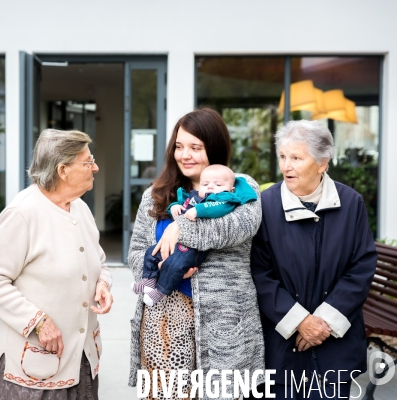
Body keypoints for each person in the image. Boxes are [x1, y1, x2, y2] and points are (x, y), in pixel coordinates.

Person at [128, 108, 265, 399]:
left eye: (195, 147)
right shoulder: (156, 194)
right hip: (164, 320)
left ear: (214, 148)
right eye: (179, 146)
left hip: (223, 322)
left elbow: (236, 227)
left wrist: (179, 228)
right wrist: (162, 266)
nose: (184, 155)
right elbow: (136, 252)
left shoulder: (239, 186)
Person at [0, 129, 114, 400]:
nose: (95, 167)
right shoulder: (23, 213)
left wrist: (103, 284)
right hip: (34, 373)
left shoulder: (80, 208)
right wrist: (38, 321)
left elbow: (99, 262)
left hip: (82, 363)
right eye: (88, 162)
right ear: (62, 170)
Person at [250, 120, 377, 399]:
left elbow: (362, 267)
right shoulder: (265, 206)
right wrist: (299, 321)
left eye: (296, 157)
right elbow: (258, 272)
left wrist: (323, 321)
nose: (286, 166)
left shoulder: (351, 203)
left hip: (336, 349)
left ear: (322, 164)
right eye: (283, 156)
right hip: (282, 348)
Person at [132, 164, 258, 306]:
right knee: (151, 252)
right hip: (176, 247)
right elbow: (183, 205)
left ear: (231, 189)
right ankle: (148, 281)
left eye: (217, 184)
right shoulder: (194, 197)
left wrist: (197, 211)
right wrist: (174, 207)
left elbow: (218, 210)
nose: (210, 187)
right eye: (205, 184)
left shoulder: (224, 199)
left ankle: (160, 290)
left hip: (192, 250)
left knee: (175, 264)